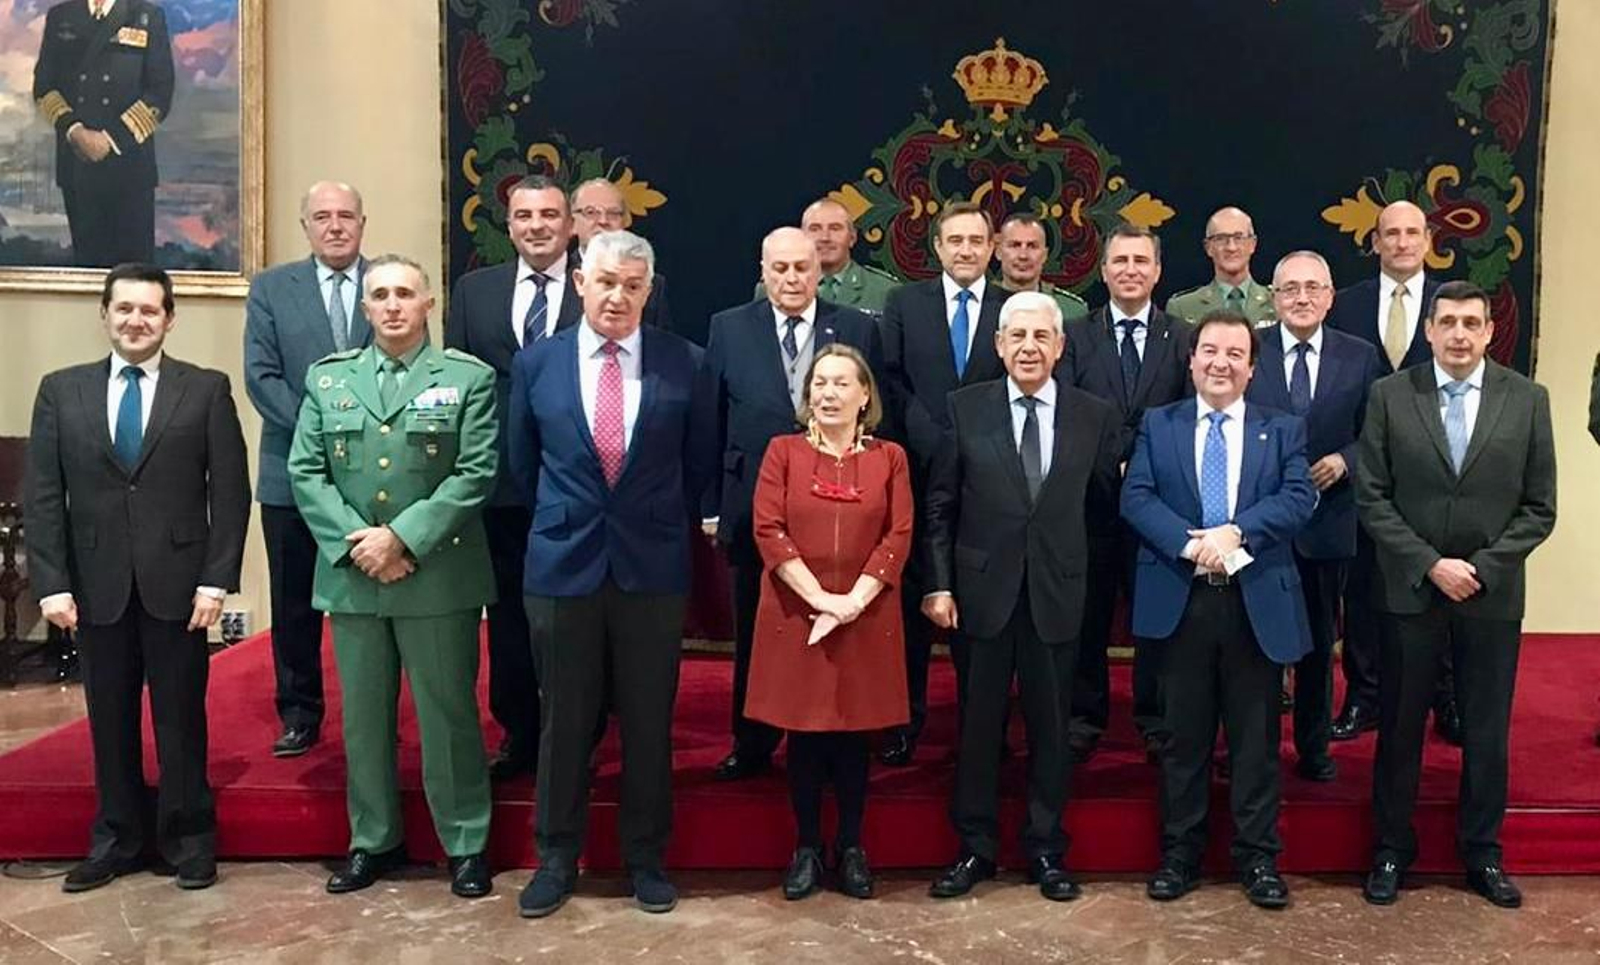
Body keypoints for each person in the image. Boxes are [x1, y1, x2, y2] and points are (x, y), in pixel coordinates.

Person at [25, 263, 250, 892]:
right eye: (124, 308)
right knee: (110, 717)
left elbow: (229, 494)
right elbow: (44, 494)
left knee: (181, 717)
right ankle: (117, 838)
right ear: (105, 315)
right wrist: (51, 581)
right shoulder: (60, 391)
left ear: (169, 318)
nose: (136, 320)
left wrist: (217, 580)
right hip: (93, 585)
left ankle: (188, 839)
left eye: (150, 310)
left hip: (179, 587)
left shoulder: (204, 389)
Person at [508, 230, 714, 918]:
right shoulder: (536, 365)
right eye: (605, 283)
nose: (617, 296)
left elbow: (699, 465)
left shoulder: (686, 363)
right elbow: (522, 465)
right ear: (578, 282)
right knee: (563, 718)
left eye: (632, 285)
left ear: (648, 291)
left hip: (651, 568)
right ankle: (557, 856)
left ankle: (646, 857)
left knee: (650, 720)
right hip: (564, 564)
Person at [288, 255, 497, 900]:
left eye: (405, 293)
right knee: (365, 720)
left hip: (437, 576)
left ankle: (465, 841)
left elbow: (477, 471)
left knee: (448, 716)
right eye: (380, 295)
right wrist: (361, 547)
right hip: (355, 577)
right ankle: (373, 839)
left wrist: (401, 538)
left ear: (428, 303)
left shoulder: (468, 379)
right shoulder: (330, 380)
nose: (392, 305)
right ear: (366, 307)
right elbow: (306, 470)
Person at [1355, 280, 1556, 909]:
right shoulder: (1390, 396)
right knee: (1402, 727)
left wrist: (1482, 567)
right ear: (1430, 330)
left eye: (1472, 323)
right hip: (1412, 590)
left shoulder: (1527, 400)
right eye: (1449, 323)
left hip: (1490, 595)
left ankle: (1483, 853)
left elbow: (1539, 506)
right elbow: (1372, 497)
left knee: (1488, 730)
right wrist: (1429, 563)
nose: (1461, 335)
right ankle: (1390, 849)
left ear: (1490, 331)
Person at [922, 292, 1119, 902]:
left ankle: (1045, 849)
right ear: (999, 344)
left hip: (1058, 595)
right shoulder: (964, 408)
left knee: (1051, 731)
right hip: (981, 595)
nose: (1029, 347)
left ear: (1061, 347)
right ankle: (974, 849)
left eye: (1042, 337)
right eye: (1018, 337)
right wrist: (938, 582)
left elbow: (1102, 512)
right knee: (979, 730)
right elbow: (940, 507)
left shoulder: (1094, 415)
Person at [1121, 309, 1316, 909]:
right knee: (1184, 740)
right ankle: (1180, 855)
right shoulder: (1161, 423)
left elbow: (1297, 495)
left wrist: (1234, 534)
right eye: (1209, 351)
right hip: (1182, 600)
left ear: (1253, 369)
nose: (1220, 363)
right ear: (1191, 359)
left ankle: (1258, 859)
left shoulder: (1281, 428)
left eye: (1235, 354)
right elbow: (1137, 495)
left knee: (1256, 743)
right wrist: (1190, 544)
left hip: (1253, 605)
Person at [701, 228, 883, 781]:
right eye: (779, 268)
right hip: (751, 508)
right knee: (759, 628)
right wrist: (710, 505)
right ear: (763, 270)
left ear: (819, 271)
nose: (791, 279)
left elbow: (874, 421)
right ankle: (751, 741)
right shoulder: (729, 327)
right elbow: (710, 422)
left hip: (835, 511)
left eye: (802, 268)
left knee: (832, 626)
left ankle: (831, 736)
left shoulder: (853, 327)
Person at [743, 344, 911, 900]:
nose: (829, 393)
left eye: (842, 384)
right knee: (807, 735)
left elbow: (898, 534)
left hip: (867, 613)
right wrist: (821, 599)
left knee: (854, 737)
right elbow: (768, 529)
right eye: (819, 383)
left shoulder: (889, 458)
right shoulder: (783, 452)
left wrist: (852, 604)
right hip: (798, 613)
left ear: (865, 396)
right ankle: (808, 847)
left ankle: (853, 846)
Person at [443, 174, 578, 782]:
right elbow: (454, 389)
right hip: (499, 483)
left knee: (577, 614)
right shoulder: (475, 293)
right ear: (509, 224)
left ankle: (579, 730)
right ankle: (520, 733)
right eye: (524, 216)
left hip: (580, 481)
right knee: (509, 615)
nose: (536, 226)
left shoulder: (596, 285)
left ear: (570, 223)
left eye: (549, 215)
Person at [878, 200, 1009, 766]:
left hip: (990, 480)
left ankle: (983, 729)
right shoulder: (905, 303)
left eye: (976, 241)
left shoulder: (1012, 307)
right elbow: (890, 380)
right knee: (912, 604)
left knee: (979, 609)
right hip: (915, 468)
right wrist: (927, 435)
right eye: (954, 240)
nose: (965, 250)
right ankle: (905, 720)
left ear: (991, 248)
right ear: (937, 247)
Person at [243, 180, 371, 759]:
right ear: (307, 227)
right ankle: (299, 713)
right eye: (322, 216)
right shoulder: (272, 288)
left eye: (346, 215)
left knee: (368, 606)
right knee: (295, 603)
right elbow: (261, 376)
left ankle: (371, 711)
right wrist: (320, 433)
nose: (335, 225)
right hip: (290, 472)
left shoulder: (388, 283)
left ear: (362, 223)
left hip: (373, 477)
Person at [1244, 252, 1383, 782]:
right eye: (1290, 289)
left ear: (1330, 296)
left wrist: (1346, 461)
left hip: (1328, 524)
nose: (1301, 298)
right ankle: (1253, 751)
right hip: (1260, 525)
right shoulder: (1252, 350)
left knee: (1318, 646)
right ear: (1274, 298)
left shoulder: (1360, 355)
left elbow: (1377, 432)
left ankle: (1314, 747)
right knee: (1255, 647)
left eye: (1313, 288)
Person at [1060, 223, 1193, 761]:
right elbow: (1067, 409)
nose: (1131, 270)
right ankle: (1084, 716)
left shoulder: (1184, 337)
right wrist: (1108, 458)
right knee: (1087, 616)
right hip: (1089, 503)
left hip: (1161, 505)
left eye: (1141, 260)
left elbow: (1187, 416)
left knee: (1157, 619)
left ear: (1158, 271)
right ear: (1104, 269)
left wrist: (1138, 462)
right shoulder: (1075, 334)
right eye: (1120, 261)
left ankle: (1155, 717)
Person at [1326, 200, 1451, 744]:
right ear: (1374, 242)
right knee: (1363, 590)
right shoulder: (1346, 306)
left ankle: (1445, 700)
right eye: (1390, 234)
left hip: (1439, 474)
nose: (1401, 243)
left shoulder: (1455, 304)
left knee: (1440, 584)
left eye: (1411, 233)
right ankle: (1365, 695)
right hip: (1364, 474)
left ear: (1428, 240)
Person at [32, 0, 174, 266]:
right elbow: (44, 87)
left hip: (130, 167)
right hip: (77, 163)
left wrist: (110, 139)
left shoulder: (147, 16)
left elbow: (159, 93)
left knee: (135, 274)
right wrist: (74, 130)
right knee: (87, 269)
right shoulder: (61, 16)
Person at [754, 198, 899, 315]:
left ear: (852, 237)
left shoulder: (886, 291)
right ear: (802, 236)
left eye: (835, 228)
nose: (825, 237)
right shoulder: (771, 288)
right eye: (815, 229)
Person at [570, 177, 674, 331]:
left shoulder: (651, 283)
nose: (603, 221)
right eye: (591, 212)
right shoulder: (557, 277)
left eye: (613, 213)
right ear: (572, 222)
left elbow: (660, 346)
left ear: (625, 222)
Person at [1165, 207, 1275, 326]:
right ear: (1208, 247)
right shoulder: (1182, 307)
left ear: (1253, 244)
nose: (1231, 247)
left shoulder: (1277, 301)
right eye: (1221, 239)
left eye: (1238, 238)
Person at [993, 212, 1090, 321]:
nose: (1023, 255)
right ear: (999, 252)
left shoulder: (1071, 312)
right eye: (1015, 245)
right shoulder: (978, 306)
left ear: (1044, 255)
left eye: (1032, 246)